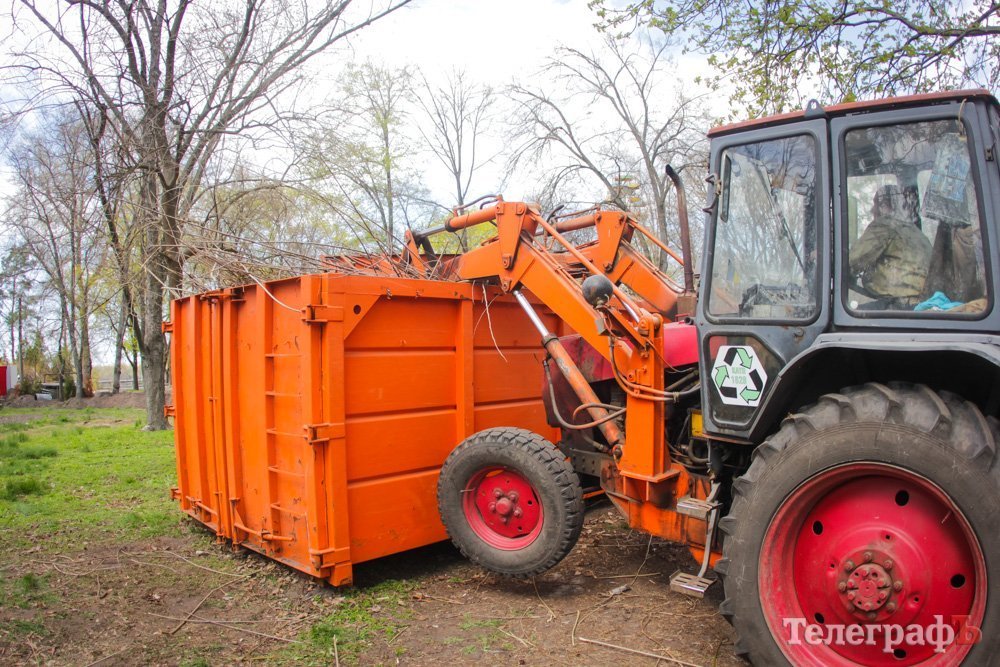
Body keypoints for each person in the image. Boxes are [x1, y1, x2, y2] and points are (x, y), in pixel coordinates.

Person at [850, 184, 932, 308]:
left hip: (900, 305)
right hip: (921, 304)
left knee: (853, 315)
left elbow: (853, 260)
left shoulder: (885, 225)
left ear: (884, 206)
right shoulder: (915, 232)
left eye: (875, 205)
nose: (872, 210)